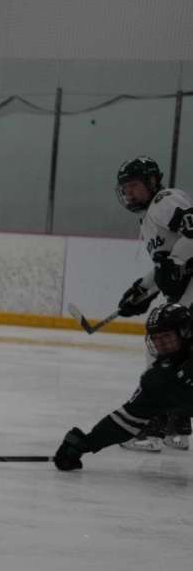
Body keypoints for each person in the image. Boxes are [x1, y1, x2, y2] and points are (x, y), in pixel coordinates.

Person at [112, 156, 193, 450]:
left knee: (160, 352)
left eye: (134, 186)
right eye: (125, 188)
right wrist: (142, 289)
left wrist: (176, 261)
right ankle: (178, 426)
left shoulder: (164, 201)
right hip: (186, 294)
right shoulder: (149, 219)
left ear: (152, 182)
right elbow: (167, 267)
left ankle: (148, 428)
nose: (129, 193)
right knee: (179, 355)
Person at [55, 303, 193, 470]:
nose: (160, 344)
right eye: (156, 338)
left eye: (166, 336)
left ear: (185, 332)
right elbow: (129, 417)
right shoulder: (159, 379)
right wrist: (87, 442)